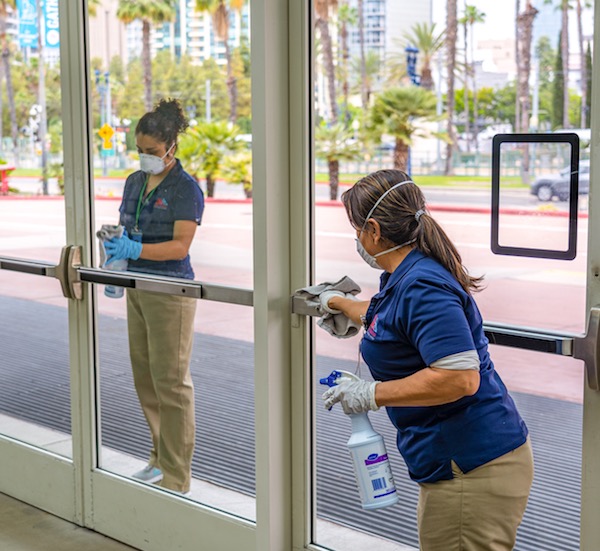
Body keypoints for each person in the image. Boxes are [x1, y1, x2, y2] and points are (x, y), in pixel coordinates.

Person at [322, 169, 533, 550]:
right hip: (462, 464)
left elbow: (459, 379)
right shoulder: (406, 273)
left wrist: (372, 393)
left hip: (472, 467)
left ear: (372, 229)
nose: (355, 238)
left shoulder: (422, 284)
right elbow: (387, 314)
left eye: (355, 228)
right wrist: (333, 302)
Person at [105, 98, 204, 496]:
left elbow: (180, 247)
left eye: (152, 152)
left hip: (170, 290)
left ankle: (177, 475)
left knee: (172, 382)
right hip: (137, 286)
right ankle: (158, 457)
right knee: (145, 377)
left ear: (171, 148)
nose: (145, 158)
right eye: (140, 151)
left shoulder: (186, 188)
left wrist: (135, 251)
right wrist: (117, 248)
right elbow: (127, 226)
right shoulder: (133, 182)